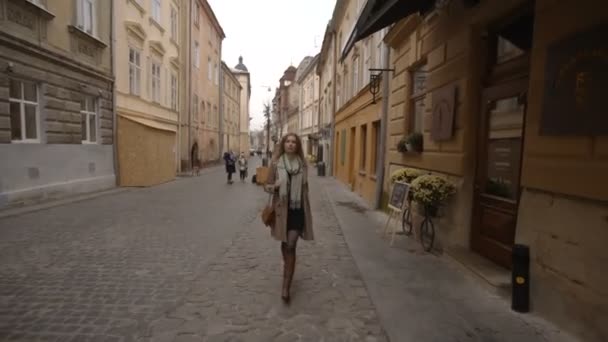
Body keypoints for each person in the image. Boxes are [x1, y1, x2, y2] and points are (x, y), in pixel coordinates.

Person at [265, 133, 314, 303]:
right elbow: (266, 186)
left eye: (294, 142)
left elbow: (305, 189)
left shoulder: (303, 165)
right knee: (285, 245)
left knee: (291, 244)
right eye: (288, 141)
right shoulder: (275, 163)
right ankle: (287, 266)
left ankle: (286, 286)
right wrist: (275, 186)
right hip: (281, 212)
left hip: (297, 210)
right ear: (284, 144)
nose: (291, 144)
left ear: (298, 145)